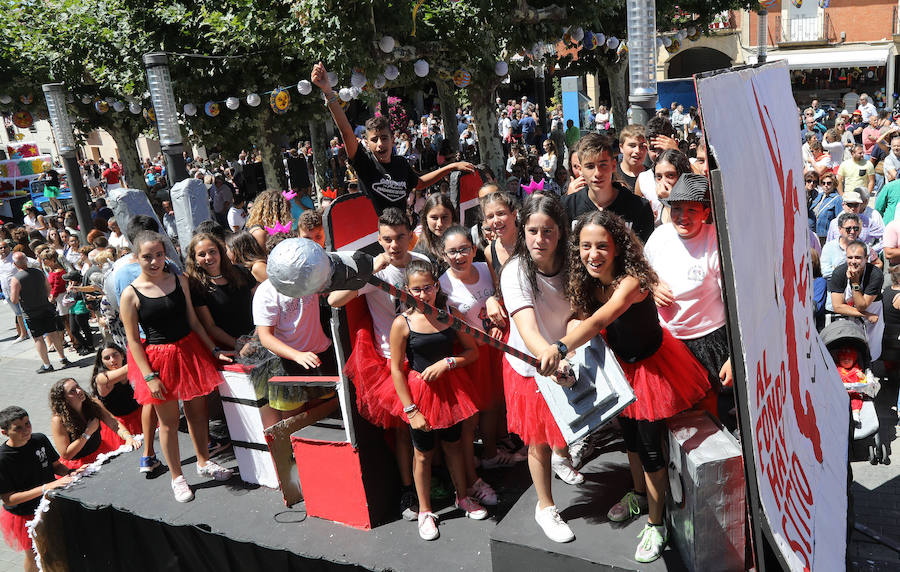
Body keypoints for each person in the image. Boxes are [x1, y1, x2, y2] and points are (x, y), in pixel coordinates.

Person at [547, 210, 710, 562]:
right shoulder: (588, 281)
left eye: (602, 246)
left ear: (617, 248)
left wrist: (560, 346)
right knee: (631, 441)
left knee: (652, 450)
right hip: (621, 367)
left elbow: (600, 319)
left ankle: (657, 523)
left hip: (652, 368)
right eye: (586, 246)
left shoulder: (632, 281)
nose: (593, 254)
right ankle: (638, 495)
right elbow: (584, 318)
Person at [328, 208, 429, 521]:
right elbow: (334, 301)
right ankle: (407, 488)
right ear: (379, 239)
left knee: (430, 426)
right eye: (387, 239)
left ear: (410, 234)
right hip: (390, 361)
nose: (394, 244)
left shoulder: (421, 262)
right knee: (402, 430)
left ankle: (431, 478)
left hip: (423, 354)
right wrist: (371, 271)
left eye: (400, 237)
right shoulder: (375, 271)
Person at [120, 231, 233, 502]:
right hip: (159, 361)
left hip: (190, 350)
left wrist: (213, 349)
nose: (155, 261)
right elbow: (133, 341)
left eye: (159, 255)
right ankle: (177, 477)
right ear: (136, 258)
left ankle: (204, 462)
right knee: (168, 424)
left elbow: (193, 321)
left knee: (198, 413)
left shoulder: (179, 280)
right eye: (148, 257)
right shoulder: (130, 294)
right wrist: (149, 376)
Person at [500, 194, 580, 544]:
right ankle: (545, 506)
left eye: (548, 231)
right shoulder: (515, 270)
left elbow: (579, 309)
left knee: (562, 425)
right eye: (532, 231)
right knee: (539, 440)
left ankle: (563, 458)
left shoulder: (573, 263)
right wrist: (552, 357)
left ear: (560, 232)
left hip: (566, 356)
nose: (539, 239)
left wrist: (572, 341)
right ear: (523, 230)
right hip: (532, 366)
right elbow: (528, 329)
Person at [389, 260, 488, 540]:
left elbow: (472, 352)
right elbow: (396, 368)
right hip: (419, 397)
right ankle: (425, 511)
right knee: (423, 454)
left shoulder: (449, 316)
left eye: (428, 288)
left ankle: (463, 497)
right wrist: (410, 410)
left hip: (450, 391)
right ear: (407, 290)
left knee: (454, 445)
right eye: (416, 290)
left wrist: (448, 362)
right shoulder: (402, 323)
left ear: (436, 287)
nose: (423, 295)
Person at [312, 62, 474, 215]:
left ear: (392, 140)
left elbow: (420, 183)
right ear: (367, 143)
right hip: (377, 237)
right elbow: (346, 131)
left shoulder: (401, 164)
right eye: (374, 140)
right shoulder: (364, 162)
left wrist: (452, 166)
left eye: (384, 138)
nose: (380, 144)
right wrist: (328, 92)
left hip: (402, 234)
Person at [644, 174, 735, 429]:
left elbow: (734, 305)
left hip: (709, 341)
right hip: (667, 342)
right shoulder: (659, 237)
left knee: (707, 418)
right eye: (677, 209)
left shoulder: (716, 242)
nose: (682, 216)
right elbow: (641, 271)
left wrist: (733, 356)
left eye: (691, 210)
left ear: (705, 211)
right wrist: (652, 284)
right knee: (671, 415)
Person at [439, 226, 512, 502]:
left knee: (494, 403)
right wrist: (481, 338)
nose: (459, 256)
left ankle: (491, 454)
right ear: (443, 254)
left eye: (463, 249)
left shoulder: (484, 267)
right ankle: (472, 478)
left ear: (473, 248)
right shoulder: (444, 285)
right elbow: (454, 324)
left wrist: (496, 320)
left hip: (494, 348)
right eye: (452, 252)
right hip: (472, 353)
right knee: (471, 419)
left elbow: (500, 297)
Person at [251, 240, 336, 427]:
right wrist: (297, 355)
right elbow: (265, 336)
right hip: (287, 363)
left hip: (319, 357)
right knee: (293, 422)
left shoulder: (311, 275)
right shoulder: (266, 292)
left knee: (323, 417)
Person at [0, 406, 74, 572]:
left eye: (27, 424)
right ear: (4, 432)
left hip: (50, 504)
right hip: (24, 514)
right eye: (18, 428)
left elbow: (56, 466)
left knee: (56, 548)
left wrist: (70, 472)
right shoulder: (3, 458)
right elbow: (9, 498)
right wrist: (45, 487)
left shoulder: (40, 440)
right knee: (35, 554)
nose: (25, 430)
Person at [562, 133, 654, 243]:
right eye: (590, 166)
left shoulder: (639, 207)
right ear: (580, 169)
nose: (597, 173)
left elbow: (644, 254)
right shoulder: (567, 206)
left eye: (603, 165)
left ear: (613, 165)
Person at [89, 342, 157, 471]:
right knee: (128, 460)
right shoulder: (101, 378)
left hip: (139, 415)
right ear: (102, 362)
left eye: (115, 355)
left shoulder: (127, 369)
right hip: (120, 424)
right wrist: (140, 353)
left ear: (122, 355)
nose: (112, 360)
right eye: (107, 358)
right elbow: (130, 367)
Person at [186, 233, 255, 351]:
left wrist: (257, 337)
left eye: (212, 251)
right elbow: (210, 326)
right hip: (231, 348)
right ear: (195, 260)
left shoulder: (242, 272)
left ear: (220, 252)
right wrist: (238, 345)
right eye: (202, 254)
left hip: (259, 337)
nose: (208, 257)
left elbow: (262, 304)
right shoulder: (197, 288)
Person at [49, 378, 136, 470]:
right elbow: (66, 454)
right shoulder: (58, 420)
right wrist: (87, 433)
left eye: (78, 386)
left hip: (100, 453)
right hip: (79, 465)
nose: (79, 391)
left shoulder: (93, 403)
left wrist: (128, 437)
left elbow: (113, 423)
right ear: (64, 399)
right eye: (72, 391)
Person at [7, 252, 71, 373]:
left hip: (31, 312)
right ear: (26, 260)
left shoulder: (16, 279)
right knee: (53, 333)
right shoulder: (38, 272)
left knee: (38, 338)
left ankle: (47, 365)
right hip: (46, 307)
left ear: (15, 264)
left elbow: (14, 299)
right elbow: (49, 289)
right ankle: (63, 358)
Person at [829, 239, 885, 361]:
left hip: (872, 315)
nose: (853, 262)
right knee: (848, 349)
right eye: (850, 257)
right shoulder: (839, 273)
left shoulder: (875, 275)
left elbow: (862, 305)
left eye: (858, 258)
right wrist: (866, 315)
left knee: (870, 352)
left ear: (866, 258)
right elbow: (837, 306)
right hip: (850, 314)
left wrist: (854, 282)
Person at [413, 193, 456, 272]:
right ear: (426, 218)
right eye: (434, 218)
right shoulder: (420, 254)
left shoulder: (464, 243)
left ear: (452, 217)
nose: (439, 224)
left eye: (444, 217)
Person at [809, 172, 843, 242]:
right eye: (823, 183)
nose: (826, 185)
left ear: (834, 184)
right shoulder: (819, 195)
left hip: (825, 235)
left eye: (829, 183)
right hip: (813, 232)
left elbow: (839, 220)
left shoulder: (837, 199)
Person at [616, 125, 647, 192]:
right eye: (632, 146)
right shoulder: (611, 175)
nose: (637, 151)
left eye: (642, 146)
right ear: (621, 147)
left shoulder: (652, 176)